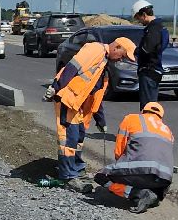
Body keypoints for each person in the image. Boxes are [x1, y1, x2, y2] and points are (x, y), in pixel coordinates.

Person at [47, 36, 135, 187]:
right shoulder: (95, 49)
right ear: (117, 47)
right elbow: (72, 67)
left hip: (77, 104)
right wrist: (56, 87)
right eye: (122, 56)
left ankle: (77, 169)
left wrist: (101, 120)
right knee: (69, 138)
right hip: (67, 98)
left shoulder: (104, 67)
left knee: (79, 135)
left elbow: (96, 96)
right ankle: (68, 175)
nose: (121, 60)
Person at [97, 101, 175, 213]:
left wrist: (118, 169)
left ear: (143, 111)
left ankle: (137, 193)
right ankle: (154, 195)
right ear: (160, 117)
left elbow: (119, 150)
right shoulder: (168, 130)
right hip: (163, 180)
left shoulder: (131, 119)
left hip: (138, 172)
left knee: (101, 176)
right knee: (152, 180)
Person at [131, 0, 167, 108]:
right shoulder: (160, 27)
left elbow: (147, 49)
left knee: (147, 107)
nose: (139, 21)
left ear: (144, 14)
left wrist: (134, 50)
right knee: (150, 105)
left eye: (138, 18)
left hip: (149, 71)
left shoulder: (153, 29)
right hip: (153, 70)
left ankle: (147, 124)